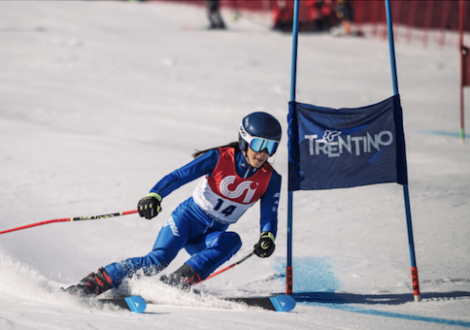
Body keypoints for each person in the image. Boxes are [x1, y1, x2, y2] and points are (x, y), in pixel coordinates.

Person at [65, 112, 282, 297]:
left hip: (210, 235)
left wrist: (267, 237)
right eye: (258, 143)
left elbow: (269, 216)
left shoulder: (271, 179)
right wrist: (154, 196)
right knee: (156, 261)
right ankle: (92, 284)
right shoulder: (219, 158)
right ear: (244, 140)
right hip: (187, 219)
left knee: (232, 240)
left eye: (270, 146)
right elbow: (178, 176)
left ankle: (177, 282)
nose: (263, 152)